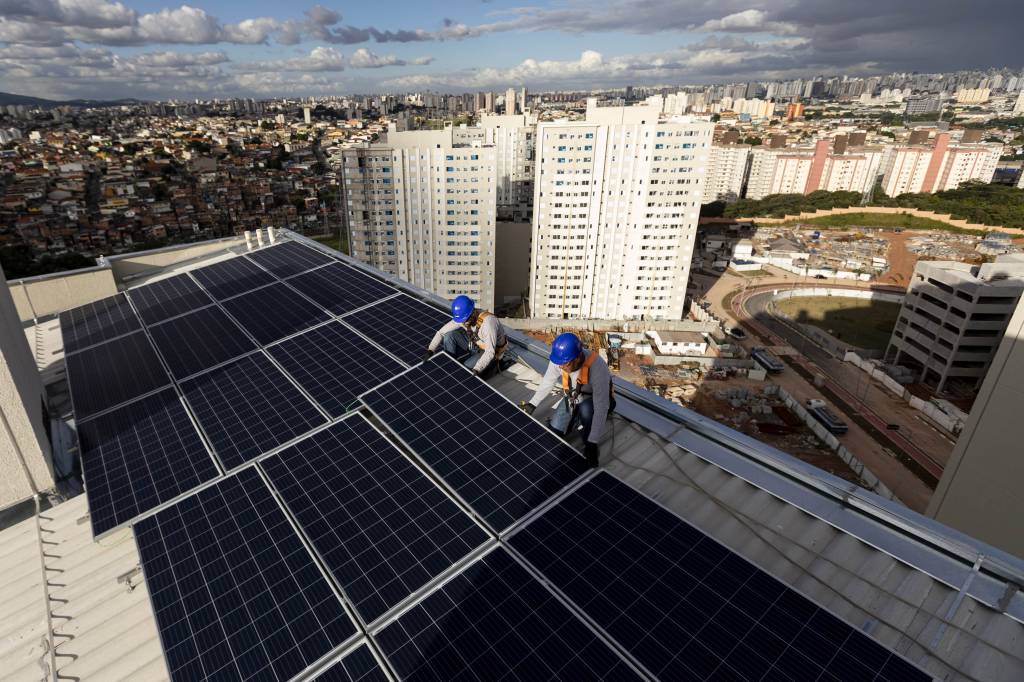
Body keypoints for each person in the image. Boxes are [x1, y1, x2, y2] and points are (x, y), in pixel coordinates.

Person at [521, 332, 614, 468]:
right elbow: (548, 381)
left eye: (565, 364)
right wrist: (532, 404)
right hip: (573, 397)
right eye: (559, 363)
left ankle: (587, 436)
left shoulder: (597, 368)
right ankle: (574, 420)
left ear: (577, 358)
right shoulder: (559, 360)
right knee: (555, 432)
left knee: (586, 413)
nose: (560, 367)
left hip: (592, 398)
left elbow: (601, 406)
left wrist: (593, 442)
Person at [423, 295, 508, 379]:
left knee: (465, 367)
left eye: (465, 320)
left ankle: (491, 368)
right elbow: (441, 333)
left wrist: (477, 369)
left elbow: (490, 352)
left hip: (489, 352)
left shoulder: (488, 324)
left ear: (472, 313)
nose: (463, 323)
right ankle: (450, 366)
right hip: (476, 344)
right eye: (461, 321)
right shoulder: (463, 318)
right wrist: (430, 350)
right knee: (449, 336)